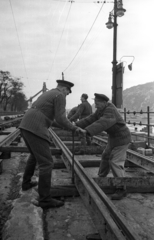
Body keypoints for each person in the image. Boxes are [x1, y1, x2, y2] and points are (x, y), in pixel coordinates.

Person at [19, 79, 85, 209]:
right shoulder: (60, 95)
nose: (67, 95)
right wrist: (74, 128)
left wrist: (67, 127)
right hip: (36, 127)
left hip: (26, 124)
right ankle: (44, 199)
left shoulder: (49, 93)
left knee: (34, 155)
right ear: (65, 89)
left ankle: (26, 183)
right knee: (47, 163)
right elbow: (60, 118)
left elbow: (50, 119)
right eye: (68, 93)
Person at [75, 93, 131, 200]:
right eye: (95, 103)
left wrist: (87, 131)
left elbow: (103, 122)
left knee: (115, 162)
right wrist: (76, 125)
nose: (95, 106)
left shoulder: (110, 110)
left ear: (104, 103)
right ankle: (101, 177)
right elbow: (91, 119)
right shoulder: (101, 109)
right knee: (105, 156)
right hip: (113, 138)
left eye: (97, 104)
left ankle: (121, 188)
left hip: (122, 138)